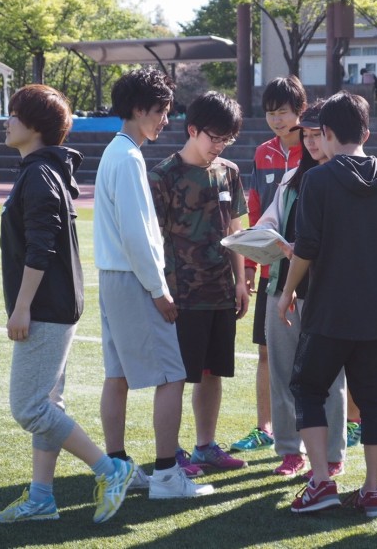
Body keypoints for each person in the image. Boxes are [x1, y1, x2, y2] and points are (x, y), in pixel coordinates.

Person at [0, 84, 133, 524]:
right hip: (55, 304)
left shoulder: (39, 174)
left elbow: (41, 247)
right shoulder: (41, 170)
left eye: (14, 114)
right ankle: (41, 498)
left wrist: (22, 307)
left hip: (46, 307)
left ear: (34, 126)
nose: (7, 121)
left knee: (29, 408)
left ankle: (111, 470)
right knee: (48, 403)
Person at [278, 91, 377, 517]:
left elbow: (307, 247)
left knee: (307, 388)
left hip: (330, 311)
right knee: (374, 402)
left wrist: (287, 291)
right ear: (366, 133)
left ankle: (321, 481)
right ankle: (372, 489)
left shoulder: (317, 180)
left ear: (327, 133)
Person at [94, 68, 212, 499]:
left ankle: (118, 468)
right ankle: (166, 475)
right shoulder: (128, 158)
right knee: (172, 375)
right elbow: (136, 236)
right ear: (139, 108)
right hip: (133, 279)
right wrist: (159, 290)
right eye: (161, 110)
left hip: (113, 277)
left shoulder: (117, 152)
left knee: (118, 376)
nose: (166, 119)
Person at [148, 91, 249, 474]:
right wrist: (160, 291)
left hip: (220, 292)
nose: (219, 146)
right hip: (180, 297)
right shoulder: (163, 176)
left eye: (227, 139)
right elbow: (152, 240)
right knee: (175, 377)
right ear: (192, 129)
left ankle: (205, 445)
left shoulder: (229, 172)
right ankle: (170, 451)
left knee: (212, 373)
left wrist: (240, 282)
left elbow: (235, 230)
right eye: (214, 137)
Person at [253, 102, 347, 478]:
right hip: (283, 289)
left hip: (327, 294)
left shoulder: (344, 177)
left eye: (316, 134)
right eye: (305, 135)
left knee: (330, 378)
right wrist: (269, 238)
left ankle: (333, 455)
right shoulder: (292, 177)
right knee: (282, 375)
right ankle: (290, 452)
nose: (310, 142)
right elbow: (269, 221)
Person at [232, 76, 306, 453]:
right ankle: (266, 427)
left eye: (284, 112)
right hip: (269, 272)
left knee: (315, 354)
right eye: (271, 113)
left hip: (306, 271)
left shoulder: (314, 148)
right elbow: (257, 209)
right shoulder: (263, 153)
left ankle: (337, 424)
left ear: (300, 111)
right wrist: (248, 267)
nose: (277, 120)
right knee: (266, 352)